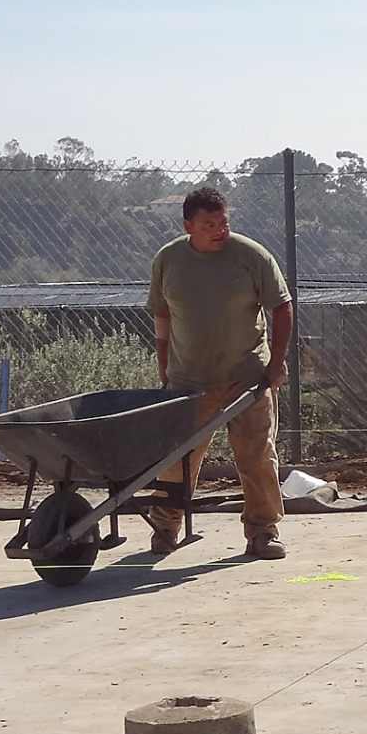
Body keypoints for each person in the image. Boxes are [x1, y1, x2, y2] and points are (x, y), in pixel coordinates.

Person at [145, 185, 294, 560]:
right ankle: (165, 527)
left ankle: (263, 532)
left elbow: (282, 307)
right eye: (208, 224)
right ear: (188, 226)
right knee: (177, 459)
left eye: (223, 223)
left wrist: (276, 363)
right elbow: (161, 313)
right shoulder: (169, 260)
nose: (219, 230)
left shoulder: (251, 256)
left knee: (257, 457)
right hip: (189, 381)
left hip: (247, 377)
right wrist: (163, 363)